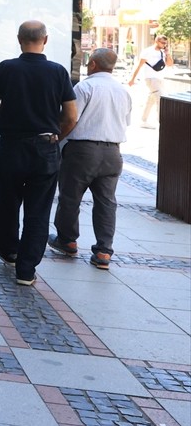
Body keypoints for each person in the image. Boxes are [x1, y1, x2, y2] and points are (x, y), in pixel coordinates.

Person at [0, 20, 78, 286]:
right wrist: (57, 135)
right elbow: (71, 116)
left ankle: (8, 249)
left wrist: (14, 112)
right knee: (39, 209)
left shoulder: (6, 68)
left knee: (7, 201)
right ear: (45, 40)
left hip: (12, 145)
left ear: (18, 39)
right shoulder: (58, 72)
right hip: (45, 147)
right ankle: (26, 270)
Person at [51, 48, 132, 270]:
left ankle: (67, 240)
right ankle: (104, 252)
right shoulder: (123, 91)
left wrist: (57, 138)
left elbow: (70, 118)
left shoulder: (85, 87)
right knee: (107, 202)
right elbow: (126, 121)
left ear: (93, 64)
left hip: (83, 151)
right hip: (113, 152)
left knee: (70, 197)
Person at [128, 34, 168, 128]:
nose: (164, 45)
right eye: (162, 42)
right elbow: (139, 65)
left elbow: (169, 64)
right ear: (156, 41)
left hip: (160, 79)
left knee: (151, 100)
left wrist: (167, 53)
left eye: (165, 43)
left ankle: (143, 120)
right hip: (151, 79)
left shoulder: (162, 52)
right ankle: (162, 123)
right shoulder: (147, 51)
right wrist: (132, 79)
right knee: (160, 99)